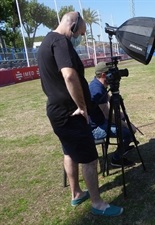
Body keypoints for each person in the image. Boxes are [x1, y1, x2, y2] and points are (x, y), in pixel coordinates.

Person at [37, 11, 123, 216]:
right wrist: (81, 107)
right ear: (73, 26)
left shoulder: (45, 43)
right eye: (81, 33)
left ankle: (76, 193)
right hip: (70, 113)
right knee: (90, 160)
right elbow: (69, 76)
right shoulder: (60, 42)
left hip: (57, 111)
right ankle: (97, 203)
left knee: (69, 152)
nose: (81, 38)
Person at [89, 62, 137, 167]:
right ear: (103, 75)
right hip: (95, 128)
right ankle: (116, 159)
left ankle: (124, 145)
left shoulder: (99, 83)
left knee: (123, 117)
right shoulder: (97, 90)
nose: (113, 75)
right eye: (110, 73)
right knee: (129, 132)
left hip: (99, 120)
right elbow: (108, 116)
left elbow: (106, 96)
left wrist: (113, 99)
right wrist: (129, 126)